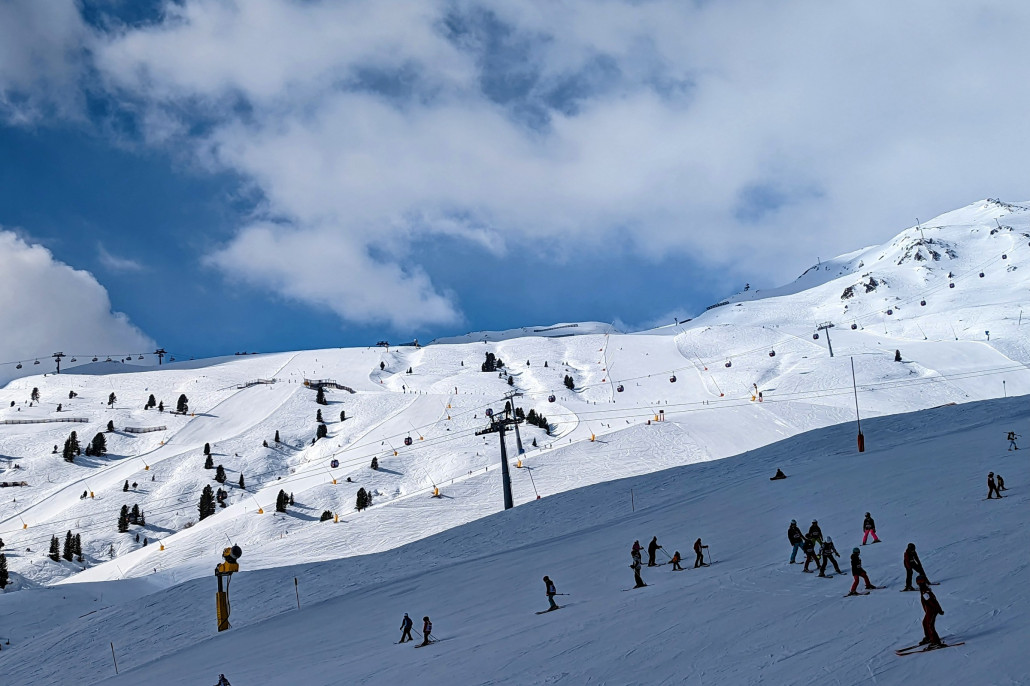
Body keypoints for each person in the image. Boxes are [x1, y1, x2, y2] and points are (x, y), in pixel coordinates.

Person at [917, 576, 944, 646]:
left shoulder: (925, 591)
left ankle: (935, 641)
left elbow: (932, 601)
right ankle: (929, 637)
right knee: (925, 623)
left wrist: (938, 609)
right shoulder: (924, 590)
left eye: (920, 582)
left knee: (929, 625)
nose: (919, 584)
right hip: (929, 611)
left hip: (932, 611)